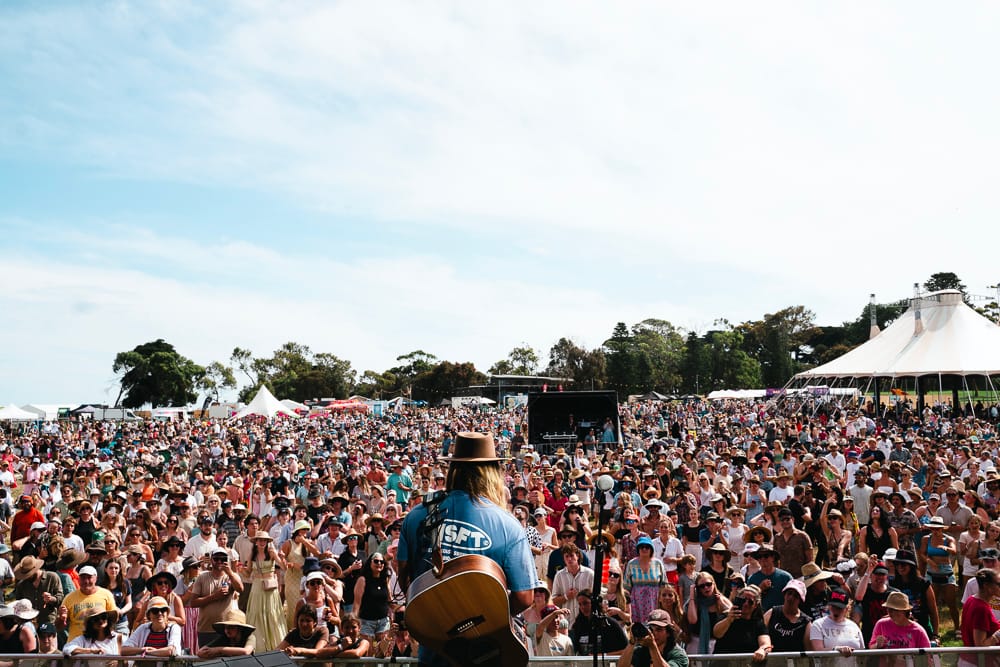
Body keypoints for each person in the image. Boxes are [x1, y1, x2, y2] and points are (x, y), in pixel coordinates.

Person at [398, 432, 535, 667]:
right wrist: (482, 619)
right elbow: (524, 597)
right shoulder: (508, 524)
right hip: (486, 651)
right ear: (492, 473)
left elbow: (405, 577)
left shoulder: (417, 515)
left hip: (436, 647)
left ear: (453, 470)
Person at [189, 548, 243, 647]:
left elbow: (240, 589)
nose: (219, 562)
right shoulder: (202, 577)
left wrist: (230, 573)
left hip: (227, 629)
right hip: (206, 629)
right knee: (206, 661)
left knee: (227, 659)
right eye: (216, 558)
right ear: (211, 559)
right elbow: (193, 603)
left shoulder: (232, 576)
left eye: (223, 559)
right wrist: (215, 596)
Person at [244, 530, 285, 651]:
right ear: (256, 541)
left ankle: (275, 645)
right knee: (257, 613)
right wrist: (241, 570)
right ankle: (258, 646)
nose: (262, 542)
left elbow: (284, 567)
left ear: (267, 542)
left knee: (271, 613)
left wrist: (280, 557)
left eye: (264, 540)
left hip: (270, 587)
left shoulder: (271, 552)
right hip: (257, 586)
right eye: (260, 540)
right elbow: (248, 573)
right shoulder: (252, 554)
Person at [870, 591, 931, 667]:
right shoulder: (881, 624)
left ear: (905, 611)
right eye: (889, 610)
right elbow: (870, 650)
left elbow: (926, 657)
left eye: (895, 610)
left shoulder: (918, 630)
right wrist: (877, 645)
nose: (891, 613)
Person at [712, 584, 771, 660]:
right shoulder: (726, 616)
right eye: (743, 600)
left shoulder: (758, 623)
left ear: (755, 605)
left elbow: (766, 644)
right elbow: (717, 633)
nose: (746, 604)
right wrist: (728, 620)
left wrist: (762, 650)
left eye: (750, 602)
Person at [810, 586, 864, 666]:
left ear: (847, 608)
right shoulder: (818, 624)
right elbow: (818, 650)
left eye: (840, 608)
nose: (836, 611)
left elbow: (862, 652)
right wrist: (837, 649)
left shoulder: (853, 626)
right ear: (829, 606)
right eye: (833, 607)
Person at [60, 565, 116, 640]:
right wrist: (61, 618)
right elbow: (59, 627)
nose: (86, 581)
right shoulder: (69, 598)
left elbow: (112, 619)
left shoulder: (106, 594)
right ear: (78, 579)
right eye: (83, 578)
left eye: (89, 578)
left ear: (96, 578)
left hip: (98, 642)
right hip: (76, 642)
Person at [619, 609, 688, 667]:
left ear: (668, 633)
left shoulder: (677, 654)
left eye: (659, 629)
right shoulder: (641, 650)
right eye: (651, 630)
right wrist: (632, 642)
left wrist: (652, 646)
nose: (654, 633)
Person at [960, 568, 1000, 667]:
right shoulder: (981, 609)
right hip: (978, 663)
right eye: (999, 584)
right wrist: (998, 635)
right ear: (986, 586)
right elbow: (980, 646)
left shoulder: (971, 599)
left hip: (969, 660)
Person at [686, 570, 731, 655]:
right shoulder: (694, 602)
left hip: (716, 644)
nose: (706, 588)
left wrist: (721, 603)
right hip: (696, 643)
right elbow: (692, 620)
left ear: (713, 584)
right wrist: (692, 595)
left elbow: (732, 615)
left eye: (708, 584)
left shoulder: (720, 599)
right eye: (702, 586)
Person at [13, 555, 63, 626]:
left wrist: (51, 599)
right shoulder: (21, 585)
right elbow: (18, 605)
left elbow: (61, 598)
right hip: (29, 625)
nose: (27, 577)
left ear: (35, 569)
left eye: (29, 575)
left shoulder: (52, 577)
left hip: (49, 623)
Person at [763, 579, 812, 652]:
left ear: (800, 600)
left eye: (796, 596)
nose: (791, 598)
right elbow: (760, 634)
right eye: (789, 593)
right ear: (784, 594)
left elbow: (808, 650)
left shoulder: (806, 622)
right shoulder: (772, 613)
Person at [354, 552, 392, 644]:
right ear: (370, 562)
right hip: (366, 621)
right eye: (376, 561)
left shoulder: (385, 579)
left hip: (383, 621)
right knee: (368, 654)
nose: (379, 563)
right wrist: (354, 621)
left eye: (381, 562)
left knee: (383, 653)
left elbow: (389, 599)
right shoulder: (362, 580)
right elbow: (357, 603)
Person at [746, 543, 792, 611]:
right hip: (761, 617)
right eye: (759, 557)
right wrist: (759, 589)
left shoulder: (786, 577)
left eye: (766, 556)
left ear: (773, 557)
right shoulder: (752, 579)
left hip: (781, 616)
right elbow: (748, 602)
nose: (762, 559)